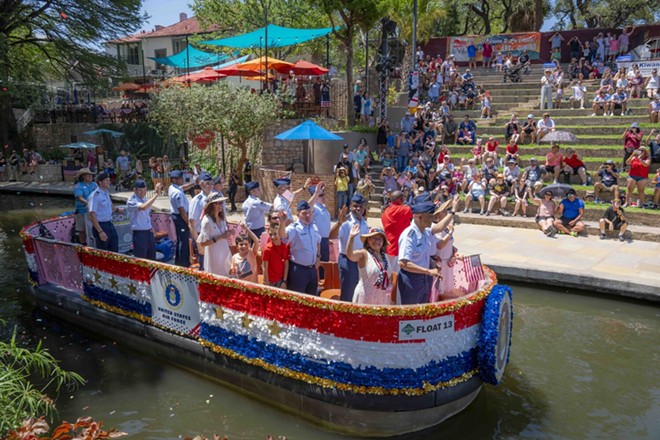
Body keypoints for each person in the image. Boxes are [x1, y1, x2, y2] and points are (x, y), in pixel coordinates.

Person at [397, 203, 449, 304]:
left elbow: (420, 255)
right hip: (412, 280)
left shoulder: (425, 232)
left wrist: (432, 264)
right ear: (420, 217)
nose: (433, 219)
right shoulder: (409, 235)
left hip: (424, 278)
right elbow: (403, 263)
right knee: (412, 312)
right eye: (430, 217)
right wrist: (428, 271)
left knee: (423, 309)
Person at [278, 201, 322, 296]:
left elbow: (318, 241)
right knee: (297, 300)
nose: (307, 215)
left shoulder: (313, 226)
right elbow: (282, 235)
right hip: (299, 271)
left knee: (312, 299)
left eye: (309, 213)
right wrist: (282, 222)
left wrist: (318, 257)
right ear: (298, 214)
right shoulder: (294, 228)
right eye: (304, 213)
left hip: (312, 270)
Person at [346, 226, 393, 305]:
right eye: (374, 238)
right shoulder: (364, 254)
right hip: (365, 297)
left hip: (382, 298)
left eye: (379, 239)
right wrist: (351, 238)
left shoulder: (385, 256)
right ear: (368, 240)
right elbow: (350, 255)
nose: (376, 241)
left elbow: (389, 276)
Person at [336, 193, 369, 301]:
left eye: (361, 206)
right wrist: (339, 223)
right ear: (350, 206)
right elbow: (331, 236)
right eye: (355, 206)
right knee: (348, 293)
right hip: (348, 261)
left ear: (364, 207)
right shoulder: (346, 222)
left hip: (361, 261)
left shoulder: (364, 223)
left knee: (360, 292)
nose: (358, 209)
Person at [196, 193, 232, 276]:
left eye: (221, 202)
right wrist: (220, 237)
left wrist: (229, 233)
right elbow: (203, 243)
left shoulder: (222, 217)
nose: (220, 205)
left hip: (225, 251)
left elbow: (223, 234)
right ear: (211, 205)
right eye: (217, 203)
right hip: (214, 254)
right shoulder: (206, 221)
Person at [126, 180, 162, 260]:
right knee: (141, 258)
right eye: (140, 190)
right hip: (139, 233)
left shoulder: (144, 199)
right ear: (135, 190)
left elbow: (146, 215)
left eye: (145, 190)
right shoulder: (132, 200)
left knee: (151, 256)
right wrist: (155, 195)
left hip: (148, 231)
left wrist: (151, 227)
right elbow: (143, 207)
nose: (143, 192)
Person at [168, 170, 195, 267]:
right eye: (180, 178)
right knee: (183, 240)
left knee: (180, 239)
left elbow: (183, 187)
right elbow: (181, 210)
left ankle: (179, 261)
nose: (182, 180)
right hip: (181, 217)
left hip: (178, 216)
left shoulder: (173, 187)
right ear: (174, 180)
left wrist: (192, 184)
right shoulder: (176, 193)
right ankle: (183, 263)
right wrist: (188, 222)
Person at [381, 190, 413, 272]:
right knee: (395, 278)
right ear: (400, 199)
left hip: (388, 247)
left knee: (388, 276)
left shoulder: (386, 210)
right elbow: (416, 210)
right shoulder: (401, 210)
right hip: (397, 249)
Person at [88, 172, 119, 252]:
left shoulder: (106, 193)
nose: (109, 182)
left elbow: (110, 205)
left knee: (114, 249)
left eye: (109, 180)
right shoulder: (95, 195)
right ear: (100, 182)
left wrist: (118, 210)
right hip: (101, 225)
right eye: (106, 180)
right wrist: (100, 231)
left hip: (110, 224)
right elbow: (92, 215)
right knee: (103, 252)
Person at [189, 172, 214, 270]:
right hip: (201, 235)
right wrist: (198, 243)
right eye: (207, 183)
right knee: (204, 265)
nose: (210, 186)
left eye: (211, 183)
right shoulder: (197, 200)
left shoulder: (214, 197)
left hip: (212, 234)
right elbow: (192, 223)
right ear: (201, 184)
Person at [73, 168, 97, 245]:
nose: (90, 176)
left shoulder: (94, 185)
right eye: (88, 175)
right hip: (82, 211)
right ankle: (82, 243)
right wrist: (88, 203)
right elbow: (79, 197)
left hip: (93, 211)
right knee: (82, 229)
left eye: (91, 175)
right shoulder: (78, 186)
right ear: (83, 176)